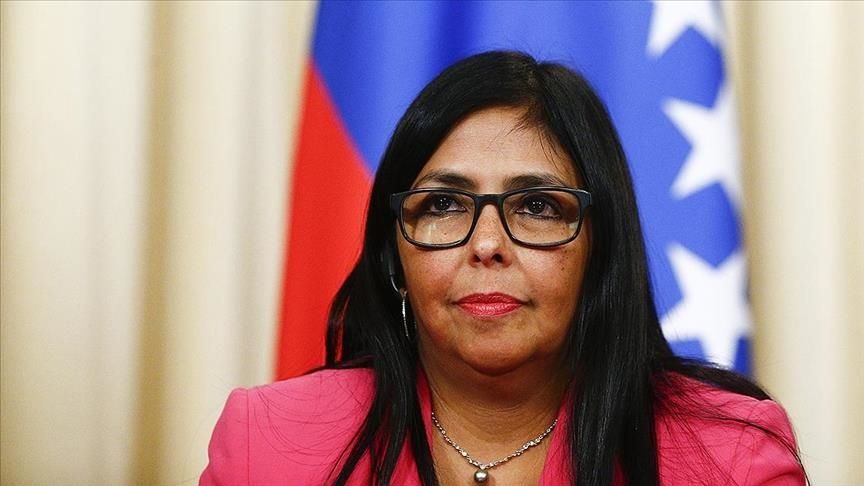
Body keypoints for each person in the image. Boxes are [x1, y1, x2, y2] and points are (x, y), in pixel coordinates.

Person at [200, 51, 805, 486]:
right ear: (393, 255)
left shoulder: (733, 455)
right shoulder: (265, 443)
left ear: (600, 249)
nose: (487, 244)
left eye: (537, 206)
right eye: (443, 204)